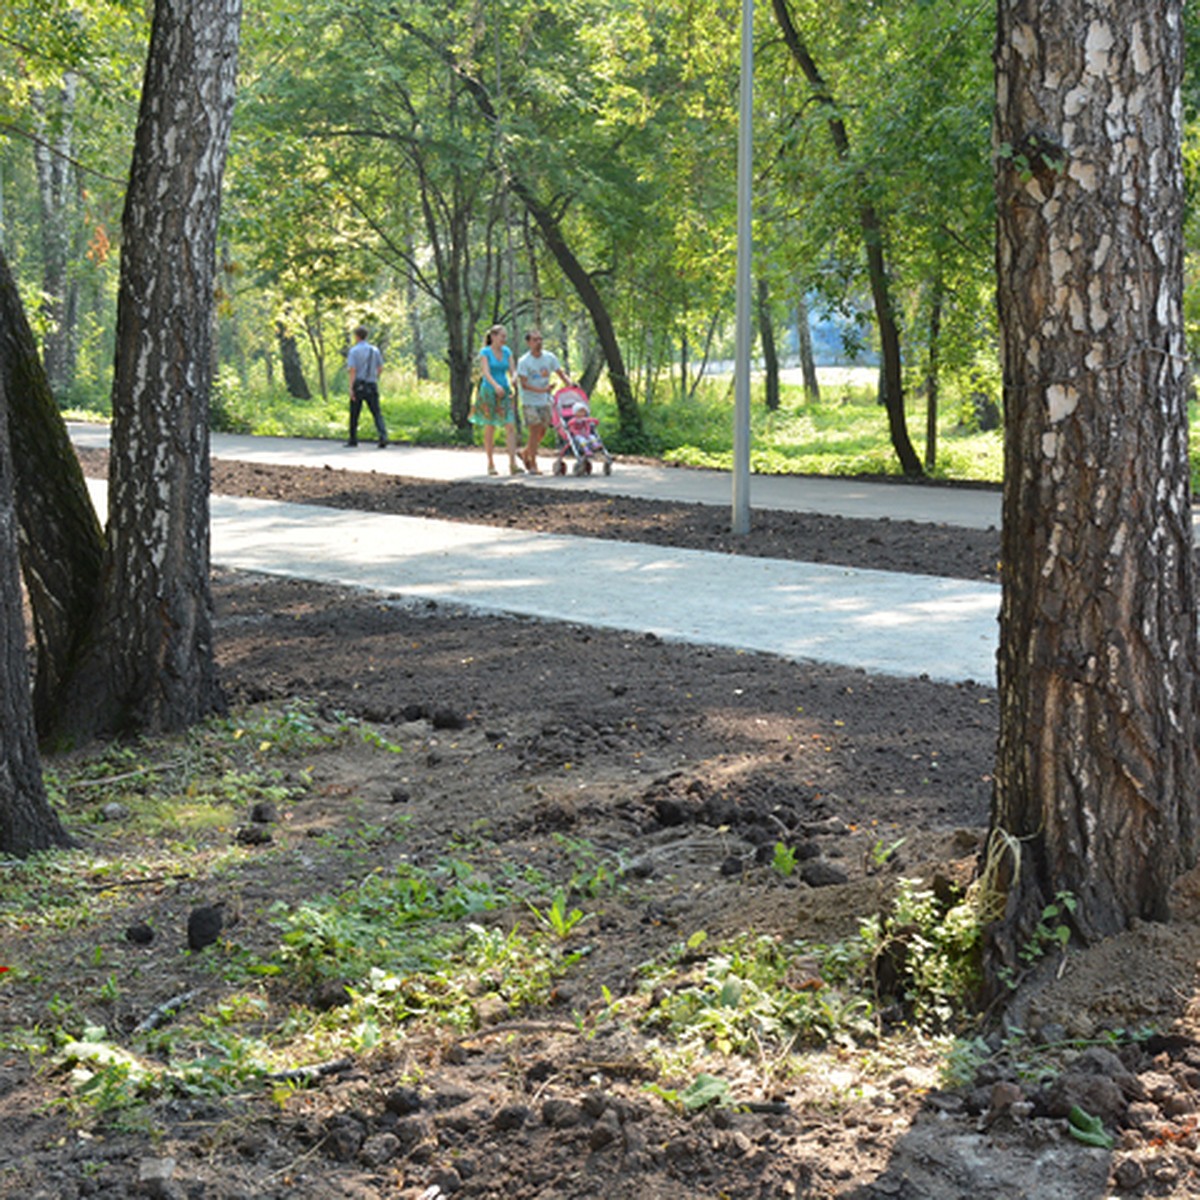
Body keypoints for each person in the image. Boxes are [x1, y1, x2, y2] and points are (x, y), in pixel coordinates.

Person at [516, 328, 572, 474]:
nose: (539, 342)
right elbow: (524, 384)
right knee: (534, 431)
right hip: (530, 401)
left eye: (540, 339)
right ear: (528, 343)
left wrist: (569, 384)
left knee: (542, 431)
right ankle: (533, 463)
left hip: (545, 400)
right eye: (535, 340)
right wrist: (542, 390)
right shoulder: (524, 361)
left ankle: (525, 452)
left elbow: (560, 373)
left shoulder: (549, 357)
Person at [471, 324, 522, 475]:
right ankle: (490, 463)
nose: (504, 339)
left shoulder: (507, 352)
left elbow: (513, 370)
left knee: (510, 425)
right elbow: (486, 372)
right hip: (489, 390)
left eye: (505, 337)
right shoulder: (485, 352)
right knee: (490, 426)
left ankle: (513, 463)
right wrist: (495, 386)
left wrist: (513, 380)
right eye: (502, 336)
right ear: (493, 337)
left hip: (504, 391)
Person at [345, 325, 388, 448]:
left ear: (357, 336)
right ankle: (383, 435)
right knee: (376, 412)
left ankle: (353, 439)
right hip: (371, 384)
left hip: (359, 384)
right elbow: (380, 368)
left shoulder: (354, 351)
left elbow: (352, 370)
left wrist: (351, 388)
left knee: (355, 413)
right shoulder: (374, 350)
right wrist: (374, 378)